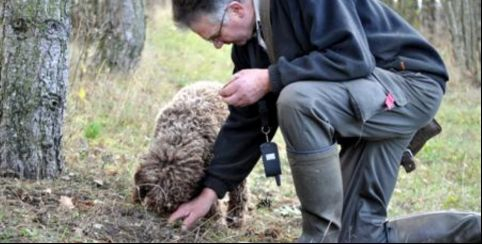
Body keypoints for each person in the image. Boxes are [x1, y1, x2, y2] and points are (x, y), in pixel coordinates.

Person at [168, 0, 481, 242]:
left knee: (298, 101)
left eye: (215, 35)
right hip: (369, 102)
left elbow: (353, 57)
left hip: (410, 84)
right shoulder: (251, 45)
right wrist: (211, 192)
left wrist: (271, 78)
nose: (218, 45)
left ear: (236, 10)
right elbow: (248, 121)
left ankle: (318, 237)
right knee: (359, 236)